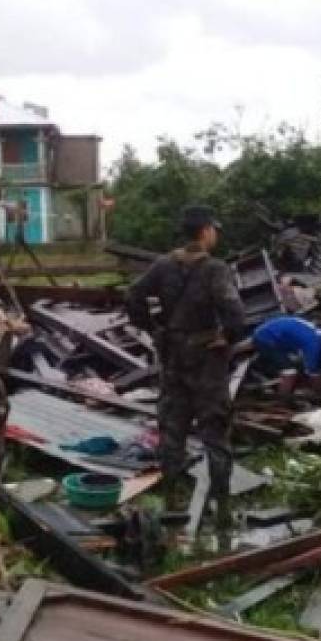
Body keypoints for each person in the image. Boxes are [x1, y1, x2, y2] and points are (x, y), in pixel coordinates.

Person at [126, 205, 246, 525]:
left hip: (173, 359)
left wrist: (153, 329)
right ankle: (222, 510)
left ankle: (171, 505)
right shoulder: (216, 269)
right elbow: (235, 313)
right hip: (207, 359)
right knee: (215, 433)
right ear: (206, 231)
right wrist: (228, 336)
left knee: (172, 431)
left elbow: (133, 296)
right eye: (214, 230)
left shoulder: (163, 265)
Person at [250, 315, 321, 397]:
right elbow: (313, 372)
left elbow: (317, 367)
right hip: (265, 339)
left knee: (300, 363)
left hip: (277, 333)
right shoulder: (314, 346)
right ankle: (282, 400)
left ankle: (298, 387)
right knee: (290, 372)